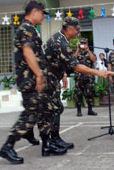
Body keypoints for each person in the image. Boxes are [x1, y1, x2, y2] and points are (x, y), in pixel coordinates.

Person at [0, 1, 67, 165]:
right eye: (42, 14)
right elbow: (28, 52)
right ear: (35, 12)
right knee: (31, 114)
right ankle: (8, 146)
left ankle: (46, 144)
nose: (43, 17)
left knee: (46, 110)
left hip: (34, 80)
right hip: (30, 80)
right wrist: (39, 75)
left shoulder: (31, 30)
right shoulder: (26, 29)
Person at [44, 17, 107, 148]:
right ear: (70, 29)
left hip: (52, 78)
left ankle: (54, 139)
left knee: (56, 109)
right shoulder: (61, 42)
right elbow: (76, 66)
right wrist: (98, 72)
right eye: (77, 29)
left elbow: (59, 61)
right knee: (52, 110)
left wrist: (63, 75)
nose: (78, 32)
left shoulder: (60, 39)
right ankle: (50, 142)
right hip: (47, 80)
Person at [74, 38, 97, 117]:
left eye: (85, 43)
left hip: (89, 77)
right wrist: (77, 49)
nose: (83, 44)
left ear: (87, 44)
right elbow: (73, 59)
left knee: (89, 94)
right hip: (79, 77)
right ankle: (79, 111)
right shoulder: (77, 52)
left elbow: (93, 60)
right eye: (82, 43)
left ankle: (90, 110)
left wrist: (88, 50)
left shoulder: (91, 52)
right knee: (78, 94)